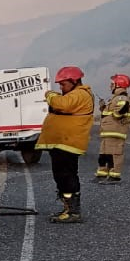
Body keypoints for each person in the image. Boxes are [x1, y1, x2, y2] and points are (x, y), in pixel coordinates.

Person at [34, 65, 94, 224]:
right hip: (62, 144)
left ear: (74, 81)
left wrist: (50, 94)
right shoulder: (74, 94)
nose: (60, 87)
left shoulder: (80, 94)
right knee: (62, 176)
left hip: (68, 144)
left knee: (66, 176)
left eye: (63, 84)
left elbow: (62, 104)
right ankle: (68, 208)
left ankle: (73, 211)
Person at [95, 73, 130, 184]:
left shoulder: (122, 98)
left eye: (112, 84)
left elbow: (118, 114)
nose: (110, 86)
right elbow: (108, 113)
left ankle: (114, 176)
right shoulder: (115, 99)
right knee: (104, 154)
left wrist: (113, 112)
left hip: (116, 131)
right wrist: (103, 106)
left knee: (114, 154)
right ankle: (102, 174)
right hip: (108, 132)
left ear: (118, 85)